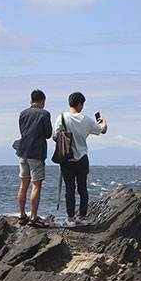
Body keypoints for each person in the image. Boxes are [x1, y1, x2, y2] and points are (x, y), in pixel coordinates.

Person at [53, 91, 107, 227]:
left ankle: (70, 218)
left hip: (66, 158)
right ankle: (82, 217)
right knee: (82, 188)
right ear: (80, 104)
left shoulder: (61, 118)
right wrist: (104, 121)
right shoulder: (86, 119)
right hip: (82, 157)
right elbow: (103, 130)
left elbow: (54, 137)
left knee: (69, 189)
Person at [14, 89, 52, 227]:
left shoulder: (23, 113)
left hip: (23, 151)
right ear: (43, 102)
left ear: (31, 101)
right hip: (36, 153)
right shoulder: (45, 114)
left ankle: (22, 215)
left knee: (23, 184)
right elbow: (48, 134)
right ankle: (33, 217)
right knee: (36, 185)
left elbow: (22, 131)